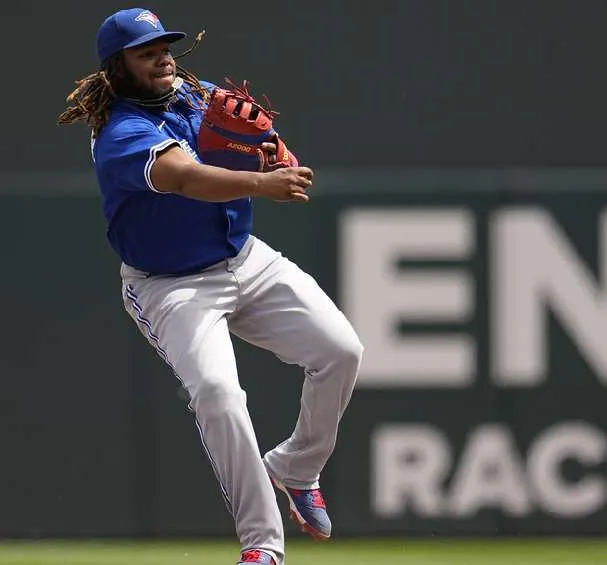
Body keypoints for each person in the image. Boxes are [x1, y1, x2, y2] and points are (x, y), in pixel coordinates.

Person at [57, 8, 363, 565]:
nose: (162, 57)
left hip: (244, 260)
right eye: (145, 52)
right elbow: (184, 177)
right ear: (117, 67)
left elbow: (270, 151)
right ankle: (263, 546)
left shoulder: (199, 97)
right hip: (171, 286)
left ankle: (297, 467)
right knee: (219, 394)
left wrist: (275, 153)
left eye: (164, 47)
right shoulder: (120, 132)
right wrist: (261, 182)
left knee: (342, 351)